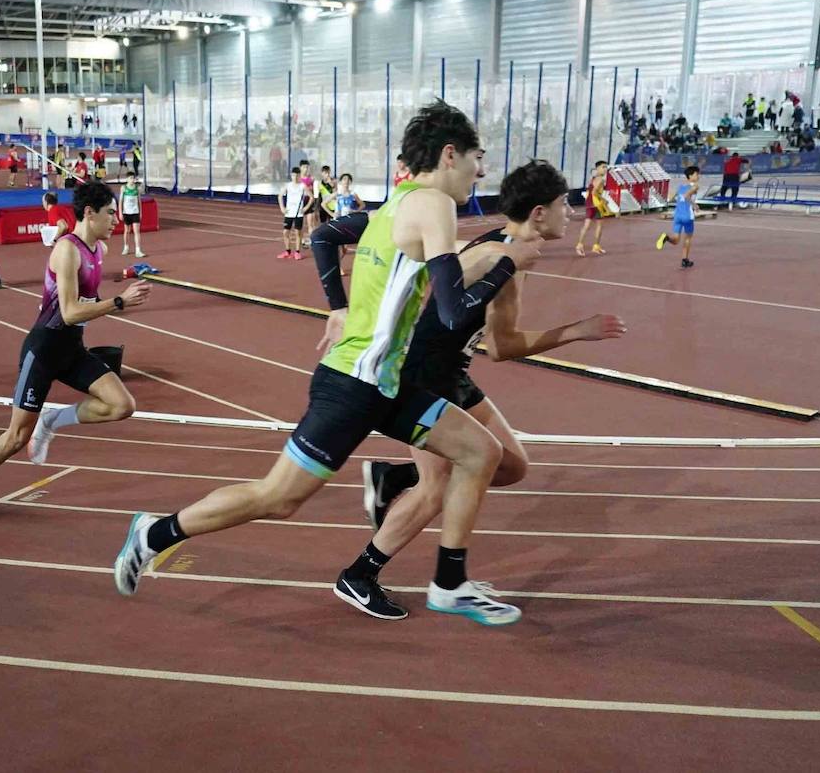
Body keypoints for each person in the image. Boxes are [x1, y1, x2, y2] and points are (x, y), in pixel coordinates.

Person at [113, 100, 542, 626]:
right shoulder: (433, 204)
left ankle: (450, 584)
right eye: (479, 158)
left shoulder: (396, 204)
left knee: (481, 452)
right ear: (449, 155)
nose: (483, 171)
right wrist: (507, 263)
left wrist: (339, 307)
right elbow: (453, 313)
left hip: (386, 384)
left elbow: (341, 243)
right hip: (354, 385)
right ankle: (153, 533)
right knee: (278, 498)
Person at [319, 162, 625, 620]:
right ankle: (361, 575)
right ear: (539, 213)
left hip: (453, 372)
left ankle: (393, 478)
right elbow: (503, 347)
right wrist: (575, 331)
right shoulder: (504, 257)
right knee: (438, 487)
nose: (573, 213)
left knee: (511, 464)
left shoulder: (505, 248)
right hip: (424, 374)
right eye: (566, 205)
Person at [0, 181, 152, 521]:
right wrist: (117, 302)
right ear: (89, 213)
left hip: (72, 349)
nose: (116, 220)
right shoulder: (67, 250)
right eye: (110, 214)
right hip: (43, 350)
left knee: (122, 404)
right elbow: (69, 312)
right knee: (15, 437)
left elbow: (81, 304)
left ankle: (53, 420)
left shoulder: (98, 251)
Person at [656, 165, 700, 268]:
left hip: (677, 215)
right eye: (697, 174)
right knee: (687, 238)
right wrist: (694, 205)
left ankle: (666, 237)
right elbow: (686, 196)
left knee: (675, 240)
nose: (698, 176)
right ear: (690, 175)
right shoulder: (695, 186)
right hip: (687, 216)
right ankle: (685, 260)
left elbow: (671, 198)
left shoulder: (680, 186)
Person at [574, 160, 614, 256]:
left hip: (589, 203)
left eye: (606, 167)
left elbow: (591, 191)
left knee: (586, 225)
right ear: (597, 168)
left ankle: (580, 245)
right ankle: (596, 246)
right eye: (603, 167)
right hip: (596, 204)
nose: (605, 169)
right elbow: (595, 192)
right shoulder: (601, 179)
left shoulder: (593, 178)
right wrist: (604, 199)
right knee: (599, 225)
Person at [277, 165, 309, 260]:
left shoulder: (302, 186)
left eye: (296, 175)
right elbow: (280, 196)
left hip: (298, 213)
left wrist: (305, 208)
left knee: (297, 232)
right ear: (291, 176)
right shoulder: (288, 185)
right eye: (293, 175)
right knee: (285, 232)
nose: (295, 177)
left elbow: (311, 197)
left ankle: (297, 252)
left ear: (299, 176)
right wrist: (282, 208)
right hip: (289, 213)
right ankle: (287, 251)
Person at [117, 172, 144, 256]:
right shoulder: (124, 188)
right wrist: (120, 213)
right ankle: (126, 247)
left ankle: (138, 250)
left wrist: (140, 213)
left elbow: (139, 201)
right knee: (127, 231)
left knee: (137, 231)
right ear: (127, 179)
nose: (132, 180)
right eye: (130, 178)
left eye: (133, 178)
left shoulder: (137, 188)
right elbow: (121, 201)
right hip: (126, 212)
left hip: (135, 212)